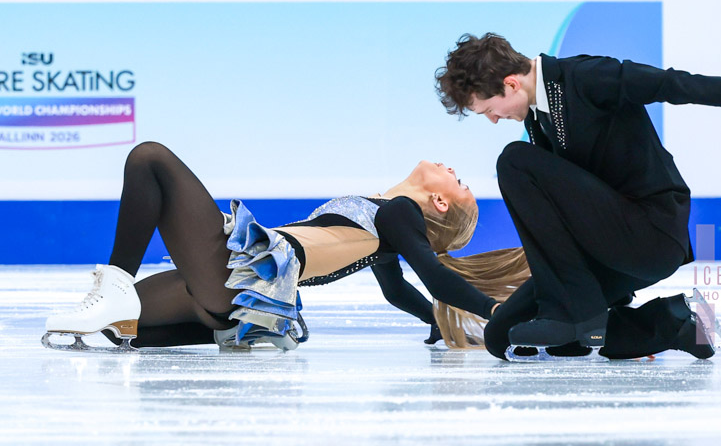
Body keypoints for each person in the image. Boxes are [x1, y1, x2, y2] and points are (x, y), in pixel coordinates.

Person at [435, 32, 721, 360]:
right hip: (608, 245)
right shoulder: (537, 115)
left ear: (511, 84)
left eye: (488, 109)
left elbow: (678, 85)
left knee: (513, 161)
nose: (493, 119)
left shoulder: (585, 77)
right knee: (500, 336)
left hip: (648, 230)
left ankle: (580, 313)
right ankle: (676, 323)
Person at [42, 141, 525, 352]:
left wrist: (490, 311)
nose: (451, 168)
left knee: (149, 159)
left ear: (439, 201)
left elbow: (434, 276)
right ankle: (222, 331)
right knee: (119, 331)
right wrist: (435, 322)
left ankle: (115, 284)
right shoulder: (385, 227)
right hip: (231, 302)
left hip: (232, 274)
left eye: (458, 181)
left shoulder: (398, 214)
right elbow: (397, 292)